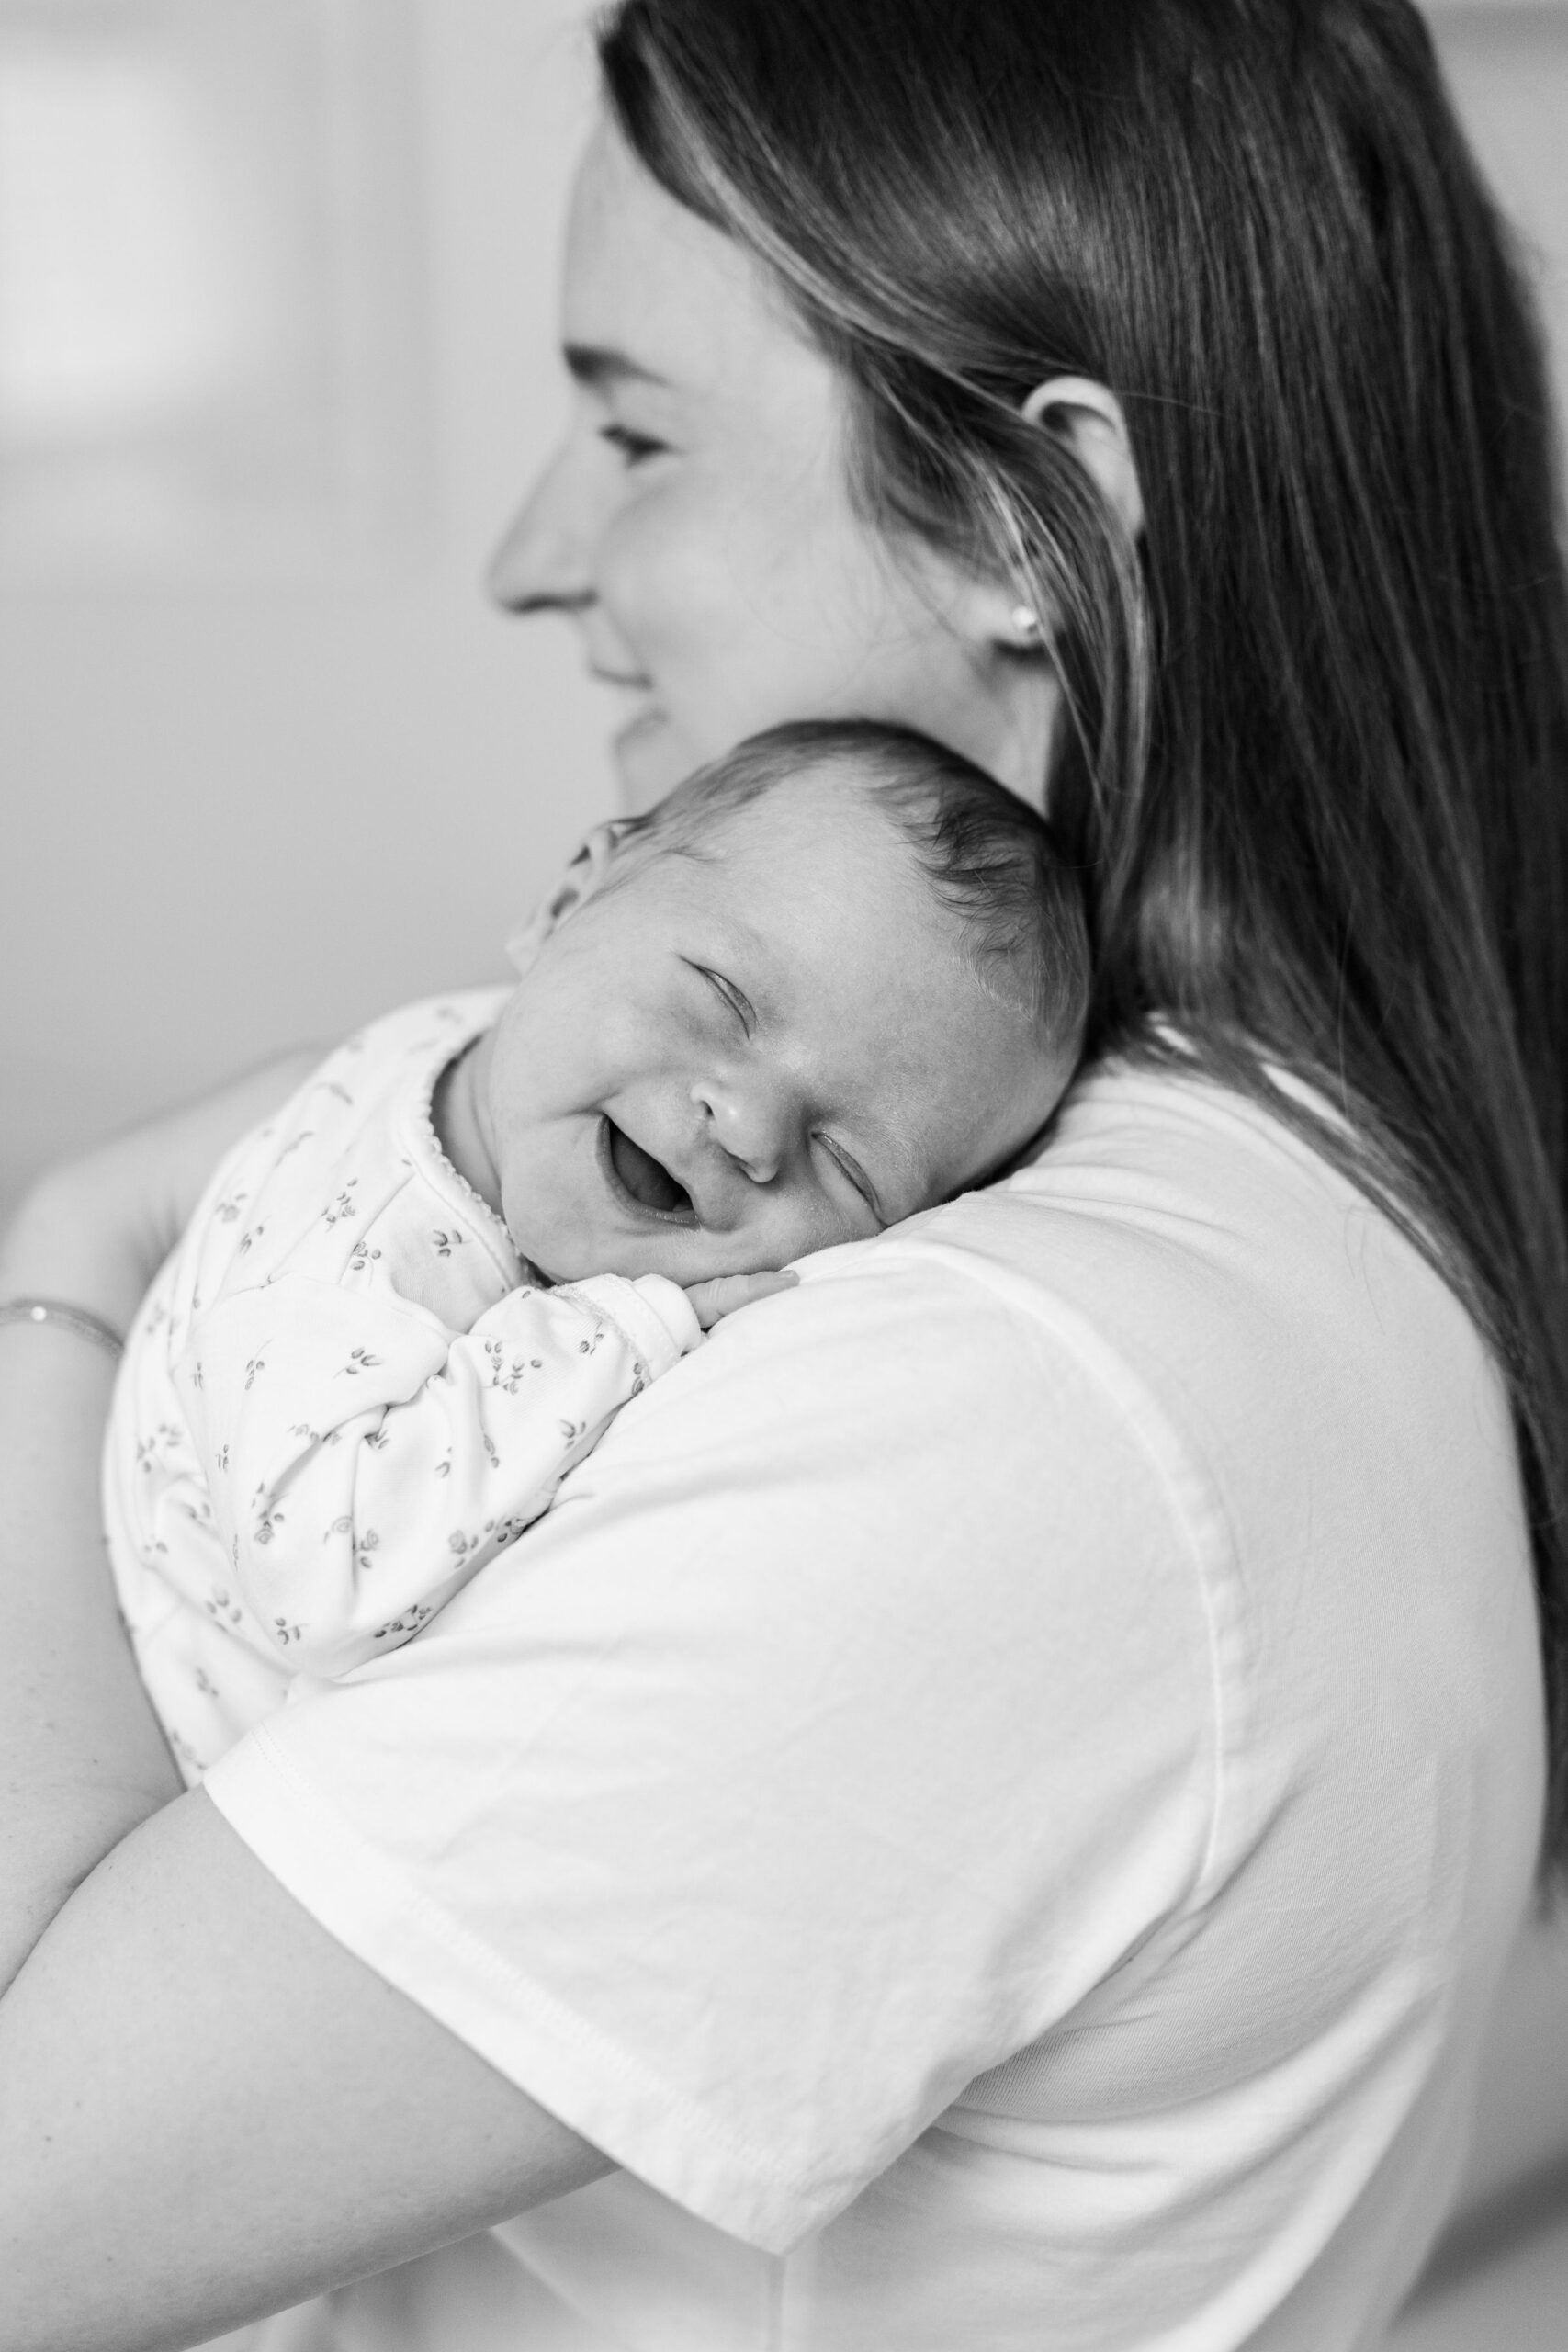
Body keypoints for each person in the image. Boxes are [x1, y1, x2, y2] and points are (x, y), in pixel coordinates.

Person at [3, 1, 1566, 2346]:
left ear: (1030, 518)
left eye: (629, 424)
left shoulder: (1011, 1397)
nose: (536, 550)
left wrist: (71, 1261)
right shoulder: (1267, 1195)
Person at [106, 722, 1085, 1775]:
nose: (748, 1126)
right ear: (566, 902)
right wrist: (624, 1331)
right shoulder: (356, 1244)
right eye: (724, 1000)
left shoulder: (504, 1066)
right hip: (147, 1749)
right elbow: (323, 1584)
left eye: (846, 1162)